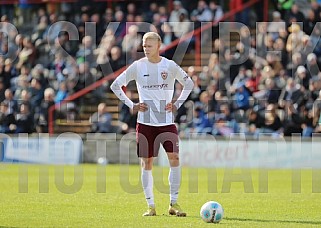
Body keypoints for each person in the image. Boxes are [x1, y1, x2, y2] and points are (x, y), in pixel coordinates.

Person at [110, 32, 194, 217]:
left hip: (166, 122)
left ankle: (174, 203)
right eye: (144, 45)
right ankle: (151, 206)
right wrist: (132, 105)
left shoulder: (169, 66)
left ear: (159, 46)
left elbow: (189, 83)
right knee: (146, 162)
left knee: (175, 159)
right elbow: (116, 85)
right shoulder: (138, 66)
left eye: (149, 45)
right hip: (145, 122)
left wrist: (177, 103)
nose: (146, 48)